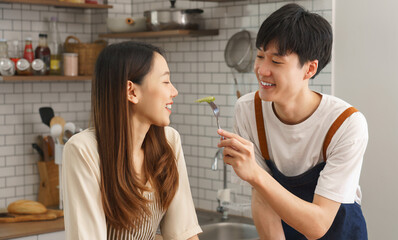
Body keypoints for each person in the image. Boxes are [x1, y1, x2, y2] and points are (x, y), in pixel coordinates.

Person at [217, 3, 368, 240]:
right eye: (260, 56)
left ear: (309, 69)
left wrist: (255, 174)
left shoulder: (346, 123)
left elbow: (318, 225)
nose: (262, 70)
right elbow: (263, 198)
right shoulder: (249, 110)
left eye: (276, 62)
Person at [62, 41, 202, 240]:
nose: (174, 91)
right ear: (132, 91)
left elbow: (184, 233)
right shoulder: (83, 150)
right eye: (165, 82)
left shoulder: (169, 141)